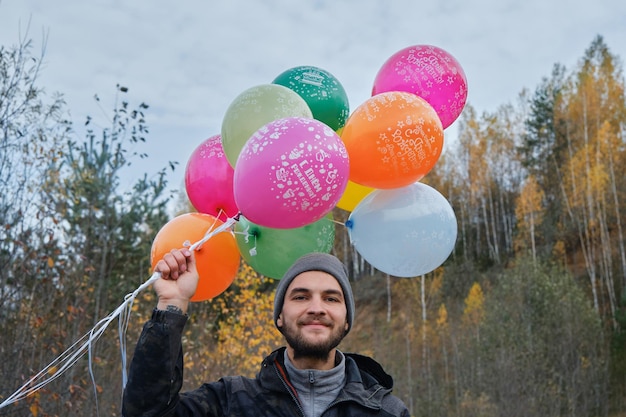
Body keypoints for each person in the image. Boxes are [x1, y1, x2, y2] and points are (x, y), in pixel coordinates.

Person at [122, 249, 410, 416]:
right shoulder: (231, 401)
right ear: (280, 317)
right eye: (300, 297)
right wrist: (172, 305)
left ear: (347, 320)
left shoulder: (387, 412)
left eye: (332, 298)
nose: (316, 308)